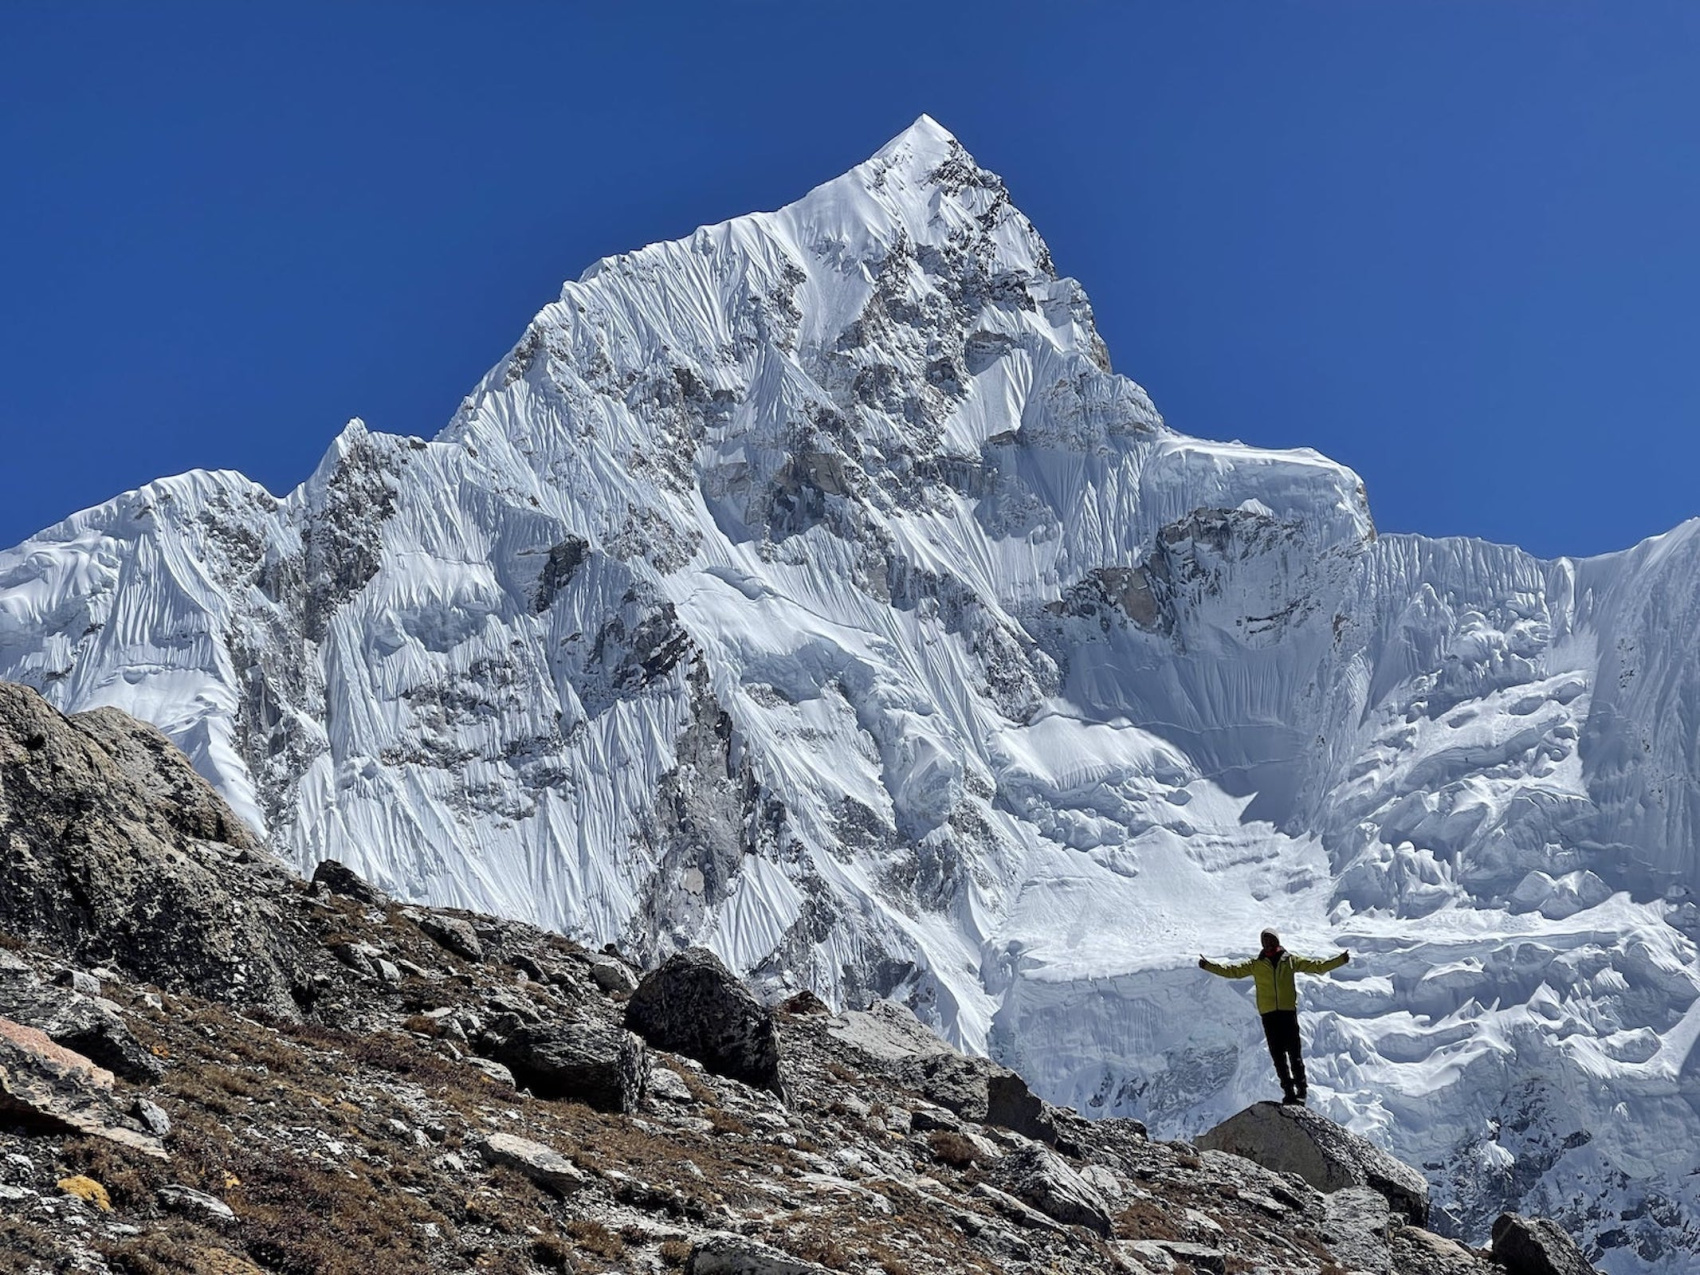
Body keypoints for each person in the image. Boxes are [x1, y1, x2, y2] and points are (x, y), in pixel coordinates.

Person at [1198, 929, 1348, 1106]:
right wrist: (1208, 966)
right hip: (1269, 1015)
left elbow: (1318, 967)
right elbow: (1232, 972)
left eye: (1271, 940)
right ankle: (1289, 1092)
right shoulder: (1256, 964)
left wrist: (1341, 960)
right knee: (1278, 1057)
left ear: (1277, 941)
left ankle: (1301, 1091)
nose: (1268, 943)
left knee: (1294, 1054)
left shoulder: (1290, 960)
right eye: (1265, 940)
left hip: (1287, 1013)